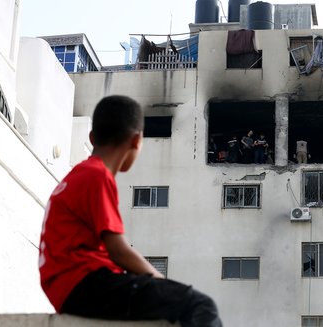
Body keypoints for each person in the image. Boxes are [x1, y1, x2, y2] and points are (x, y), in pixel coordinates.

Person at [38, 95, 222, 327]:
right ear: (136, 141)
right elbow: (119, 250)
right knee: (200, 305)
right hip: (86, 284)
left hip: (65, 288)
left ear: (92, 137)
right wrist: (158, 280)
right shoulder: (97, 176)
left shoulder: (77, 176)